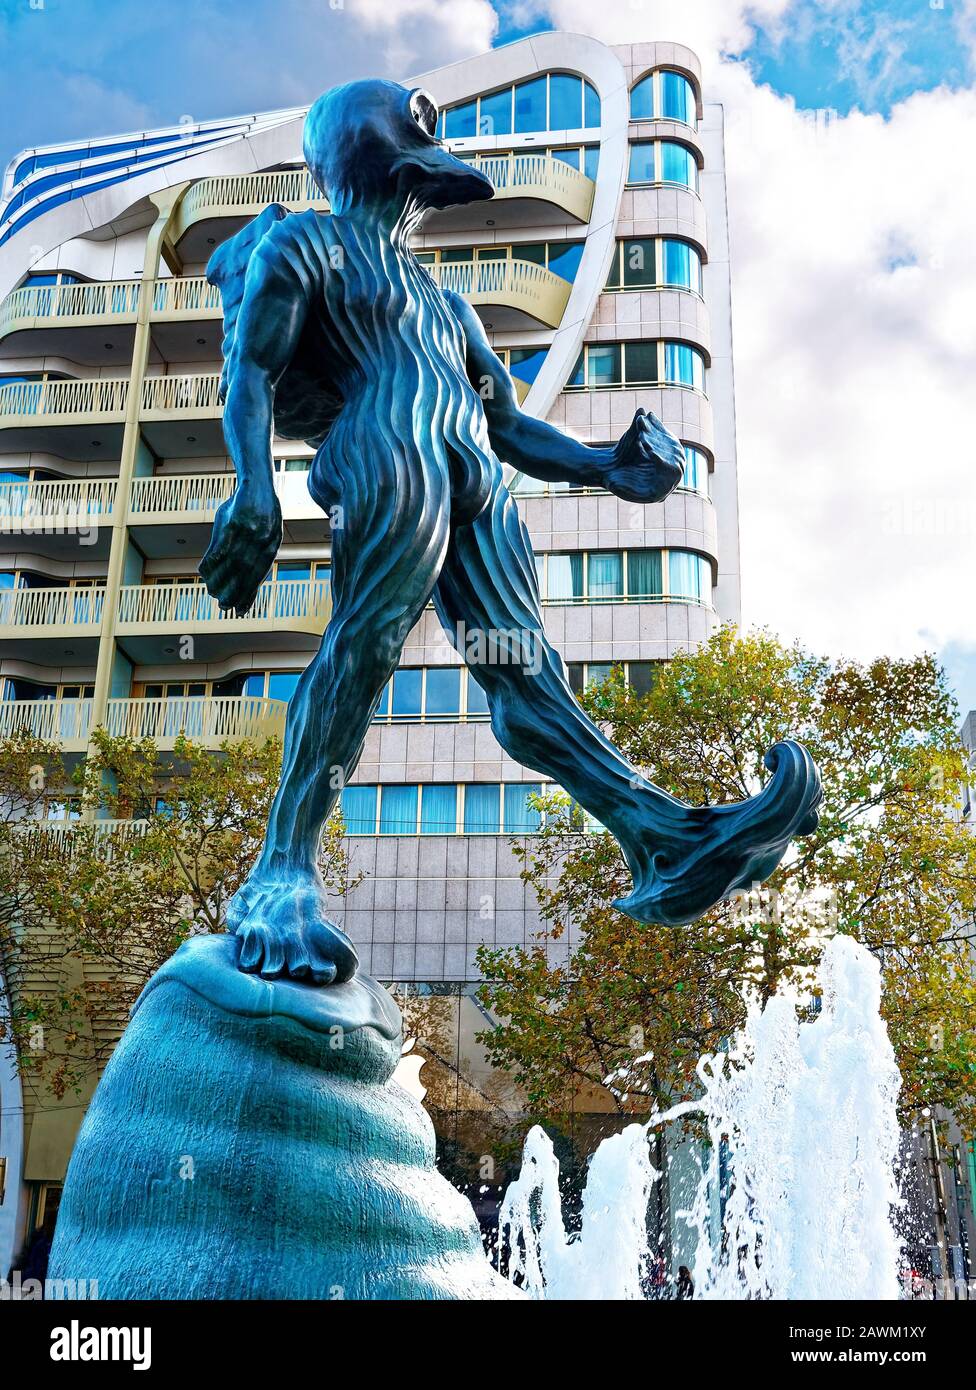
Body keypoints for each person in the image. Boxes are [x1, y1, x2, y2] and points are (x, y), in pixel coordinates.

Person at [200, 78, 822, 985]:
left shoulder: (448, 309)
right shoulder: (309, 245)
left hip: (471, 475)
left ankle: (663, 839)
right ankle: (279, 875)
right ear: (370, 152)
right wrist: (254, 491)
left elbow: (510, 429)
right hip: (387, 447)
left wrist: (608, 468)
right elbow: (251, 373)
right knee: (365, 647)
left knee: (528, 679)